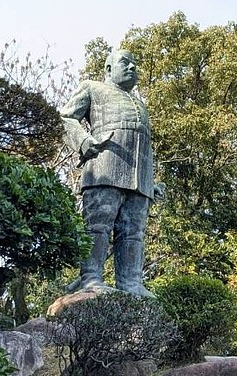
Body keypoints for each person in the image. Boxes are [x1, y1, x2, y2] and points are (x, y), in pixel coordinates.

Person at [60, 49, 163, 296]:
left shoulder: (139, 104)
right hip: (104, 168)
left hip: (140, 179)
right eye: (125, 63)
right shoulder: (92, 88)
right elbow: (65, 118)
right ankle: (91, 279)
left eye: (134, 64)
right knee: (98, 225)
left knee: (133, 232)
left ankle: (131, 283)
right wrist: (85, 142)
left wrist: (152, 181)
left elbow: (141, 143)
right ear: (108, 69)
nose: (132, 68)